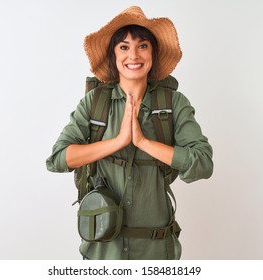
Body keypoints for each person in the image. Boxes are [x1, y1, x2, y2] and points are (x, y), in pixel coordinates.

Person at [46, 6, 213, 260]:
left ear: (152, 53)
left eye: (142, 45)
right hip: (102, 253)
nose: (133, 54)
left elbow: (203, 163)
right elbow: (57, 159)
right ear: (113, 55)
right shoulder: (94, 103)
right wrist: (118, 142)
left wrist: (144, 142)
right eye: (124, 47)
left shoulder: (174, 103)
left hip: (156, 254)